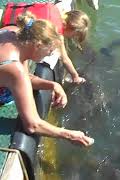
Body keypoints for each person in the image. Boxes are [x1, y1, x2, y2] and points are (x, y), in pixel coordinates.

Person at [0, 12, 94, 146]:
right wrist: (69, 135)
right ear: (38, 46)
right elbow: (32, 125)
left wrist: (53, 85)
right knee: (10, 96)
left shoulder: (12, 32)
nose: (49, 55)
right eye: (49, 51)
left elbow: (24, 78)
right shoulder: (15, 69)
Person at [1, 2, 91, 84]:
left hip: (9, 14)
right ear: (71, 28)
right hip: (14, 28)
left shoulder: (57, 11)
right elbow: (65, 59)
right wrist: (75, 76)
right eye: (74, 35)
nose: (72, 38)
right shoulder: (56, 33)